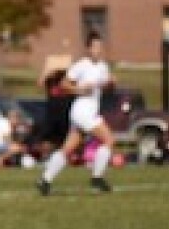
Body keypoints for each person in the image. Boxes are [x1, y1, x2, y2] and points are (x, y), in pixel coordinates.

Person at [37, 32, 116, 195]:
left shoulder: (103, 67)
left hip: (88, 111)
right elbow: (64, 85)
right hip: (82, 110)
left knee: (68, 149)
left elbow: (107, 87)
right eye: (94, 47)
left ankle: (45, 180)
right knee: (108, 140)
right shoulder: (81, 65)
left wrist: (111, 84)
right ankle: (97, 177)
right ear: (88, 48)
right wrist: (80, 89)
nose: (98, 50)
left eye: (100, 47)